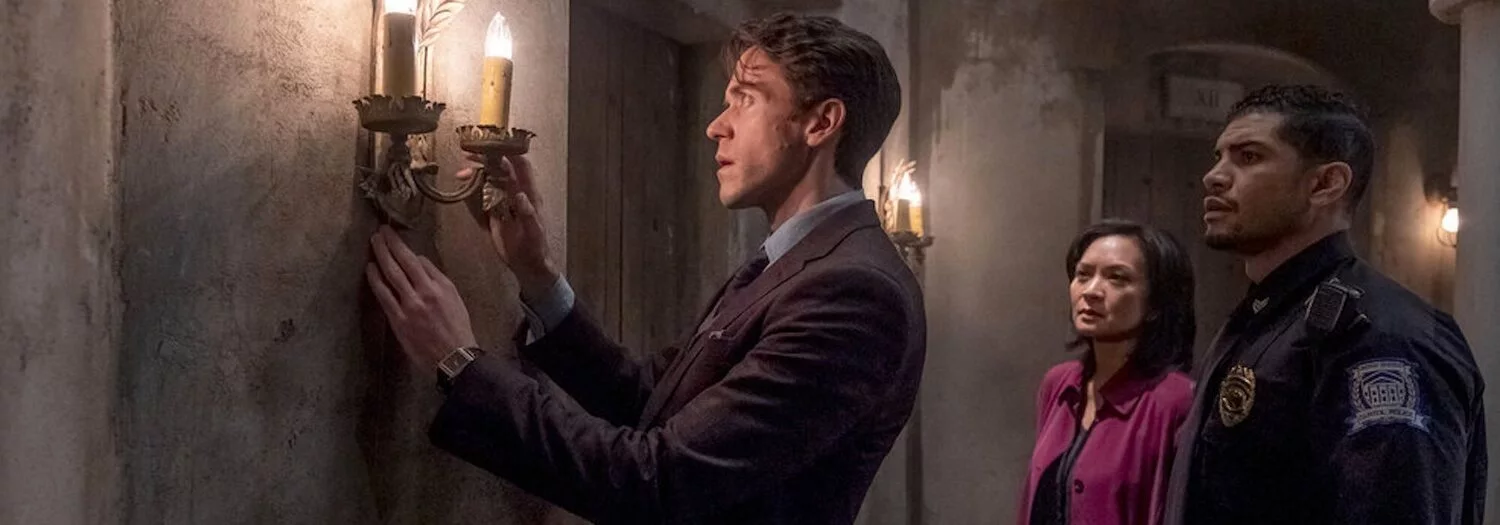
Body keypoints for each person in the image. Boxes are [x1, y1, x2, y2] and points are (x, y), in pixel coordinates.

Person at [365, 12, 925, 524]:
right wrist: (537, 276)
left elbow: (659, 480)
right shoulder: (798, 262)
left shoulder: (853, 292)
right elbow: (652, 400)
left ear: (821, 123)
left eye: (745, 100)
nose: (717, 126)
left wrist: (460, 364)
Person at [1162, 84, 1488, 525]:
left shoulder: (1382, 336)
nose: (1215, 176)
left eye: (1249, 157)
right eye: (1219, 157)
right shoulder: (1263, 318)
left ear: (1325, 184)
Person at [1018, 220, 1196, 525]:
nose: (1091, 291)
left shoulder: (1175, 400)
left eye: (1117, 278)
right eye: (1083, 275)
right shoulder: (1060, 384)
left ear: (1155, 302)